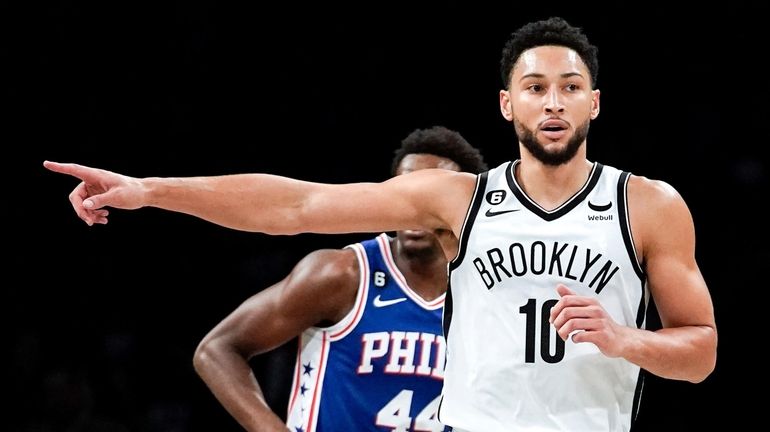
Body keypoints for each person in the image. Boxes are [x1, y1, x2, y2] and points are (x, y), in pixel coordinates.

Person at [44, 16, 717, 432]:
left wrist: (627, 340)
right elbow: (295, 206)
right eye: (535, 87)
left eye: (570, 87)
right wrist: (150, 190)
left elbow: (702, 353)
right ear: (508, 104)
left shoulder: (650, 205)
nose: (553, 101)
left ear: (594, 103)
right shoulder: (455, 198)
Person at [191, 126, 487, 432]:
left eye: (427, 193)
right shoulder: (342, 274)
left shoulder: (488, 293)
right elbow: (217, 349)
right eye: (404, 187)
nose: (413, 203)